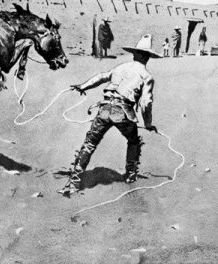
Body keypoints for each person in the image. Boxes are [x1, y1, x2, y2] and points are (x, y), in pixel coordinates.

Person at [59, 34, 161, 197]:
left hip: (105, 108)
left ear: (135, 54)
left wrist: (83, 86)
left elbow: (101, 77)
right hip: (123, 112)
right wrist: (148, 123)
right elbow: (146, 103)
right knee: (134, 141)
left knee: (90, 143)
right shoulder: (146, 76)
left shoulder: (120, 67)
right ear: (146, 56)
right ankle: (131, 174)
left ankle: (73, 182)